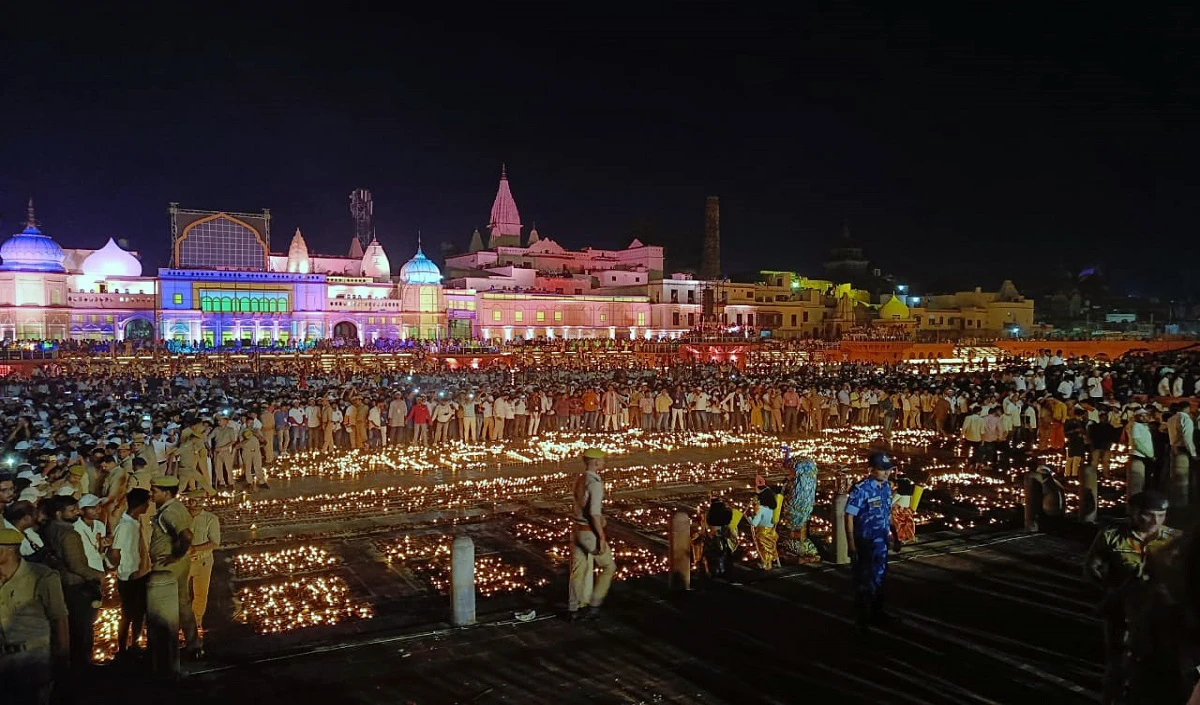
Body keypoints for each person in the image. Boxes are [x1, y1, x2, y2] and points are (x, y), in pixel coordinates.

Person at [1083, 490, 1178, 705]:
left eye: (1161, 515)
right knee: (1116, 660)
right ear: (1133, 513)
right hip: (1120, 607)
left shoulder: (1174, 539)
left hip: (1159, 611)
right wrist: (1108, 589)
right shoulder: (1112, 535)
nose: (1156, 521)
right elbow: (1091, 567)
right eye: (1149, 515)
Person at [0, 526, 69, 705]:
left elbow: (59, 618)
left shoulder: (42, 577)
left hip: (31, 661)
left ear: (5, 552)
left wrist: (62, 658)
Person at [146, 475, 198, 677]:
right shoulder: (175, 507)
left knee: (167, 609)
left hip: (168, 567)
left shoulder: (170, 512)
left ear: (166, 493)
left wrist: (175, 555)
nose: (152, 494)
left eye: (155, 491)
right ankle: (192, 644)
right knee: (183, 603)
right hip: (177, 563)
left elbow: (186, 535)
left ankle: (169, 650)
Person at [845, 451, 896, 636]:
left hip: (881, 542)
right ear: (871, 470)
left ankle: (877, 612)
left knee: (880, 577)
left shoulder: (887, 488)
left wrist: (895, 536)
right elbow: (849, 515)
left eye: (888, 469)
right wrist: (851, 544)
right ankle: (862, 621)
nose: (886, 473)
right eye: (882, 470)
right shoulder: (861, 489)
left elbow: (887, 513)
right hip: (864, 542)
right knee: (863, 581)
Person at [568, 448, 617, 622]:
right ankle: (594, 606)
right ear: (595, 463)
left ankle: (573, 609)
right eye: (603, 460)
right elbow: (594, 513)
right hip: (589, 534)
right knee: (609, 567)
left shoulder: (580, 479)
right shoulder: (595, 483)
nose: (604, 463)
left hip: (577, 531)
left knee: (578, 572)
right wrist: (602, 537)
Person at [109, 487, 151, 657]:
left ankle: (134, 644)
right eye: (147, 503)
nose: (149, 506)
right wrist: (120, 569)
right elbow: (115, 552)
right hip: (129, 575)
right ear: (141, 505)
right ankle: (123, 647)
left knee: (139, 611)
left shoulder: (134, 522)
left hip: (138, 573)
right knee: (128, 613)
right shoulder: (125, 526)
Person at [186, 491, 221, 632]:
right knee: (180, 594)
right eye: (195, 500)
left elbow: (214, 542)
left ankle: (195, 622)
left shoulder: (210, 519)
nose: (199, 503)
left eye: (201, 500)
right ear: (189, 502)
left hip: (203, 561)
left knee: (200, 594)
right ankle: (180, 622)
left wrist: (195, 549)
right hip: (183, 562)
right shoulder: (180, 518)